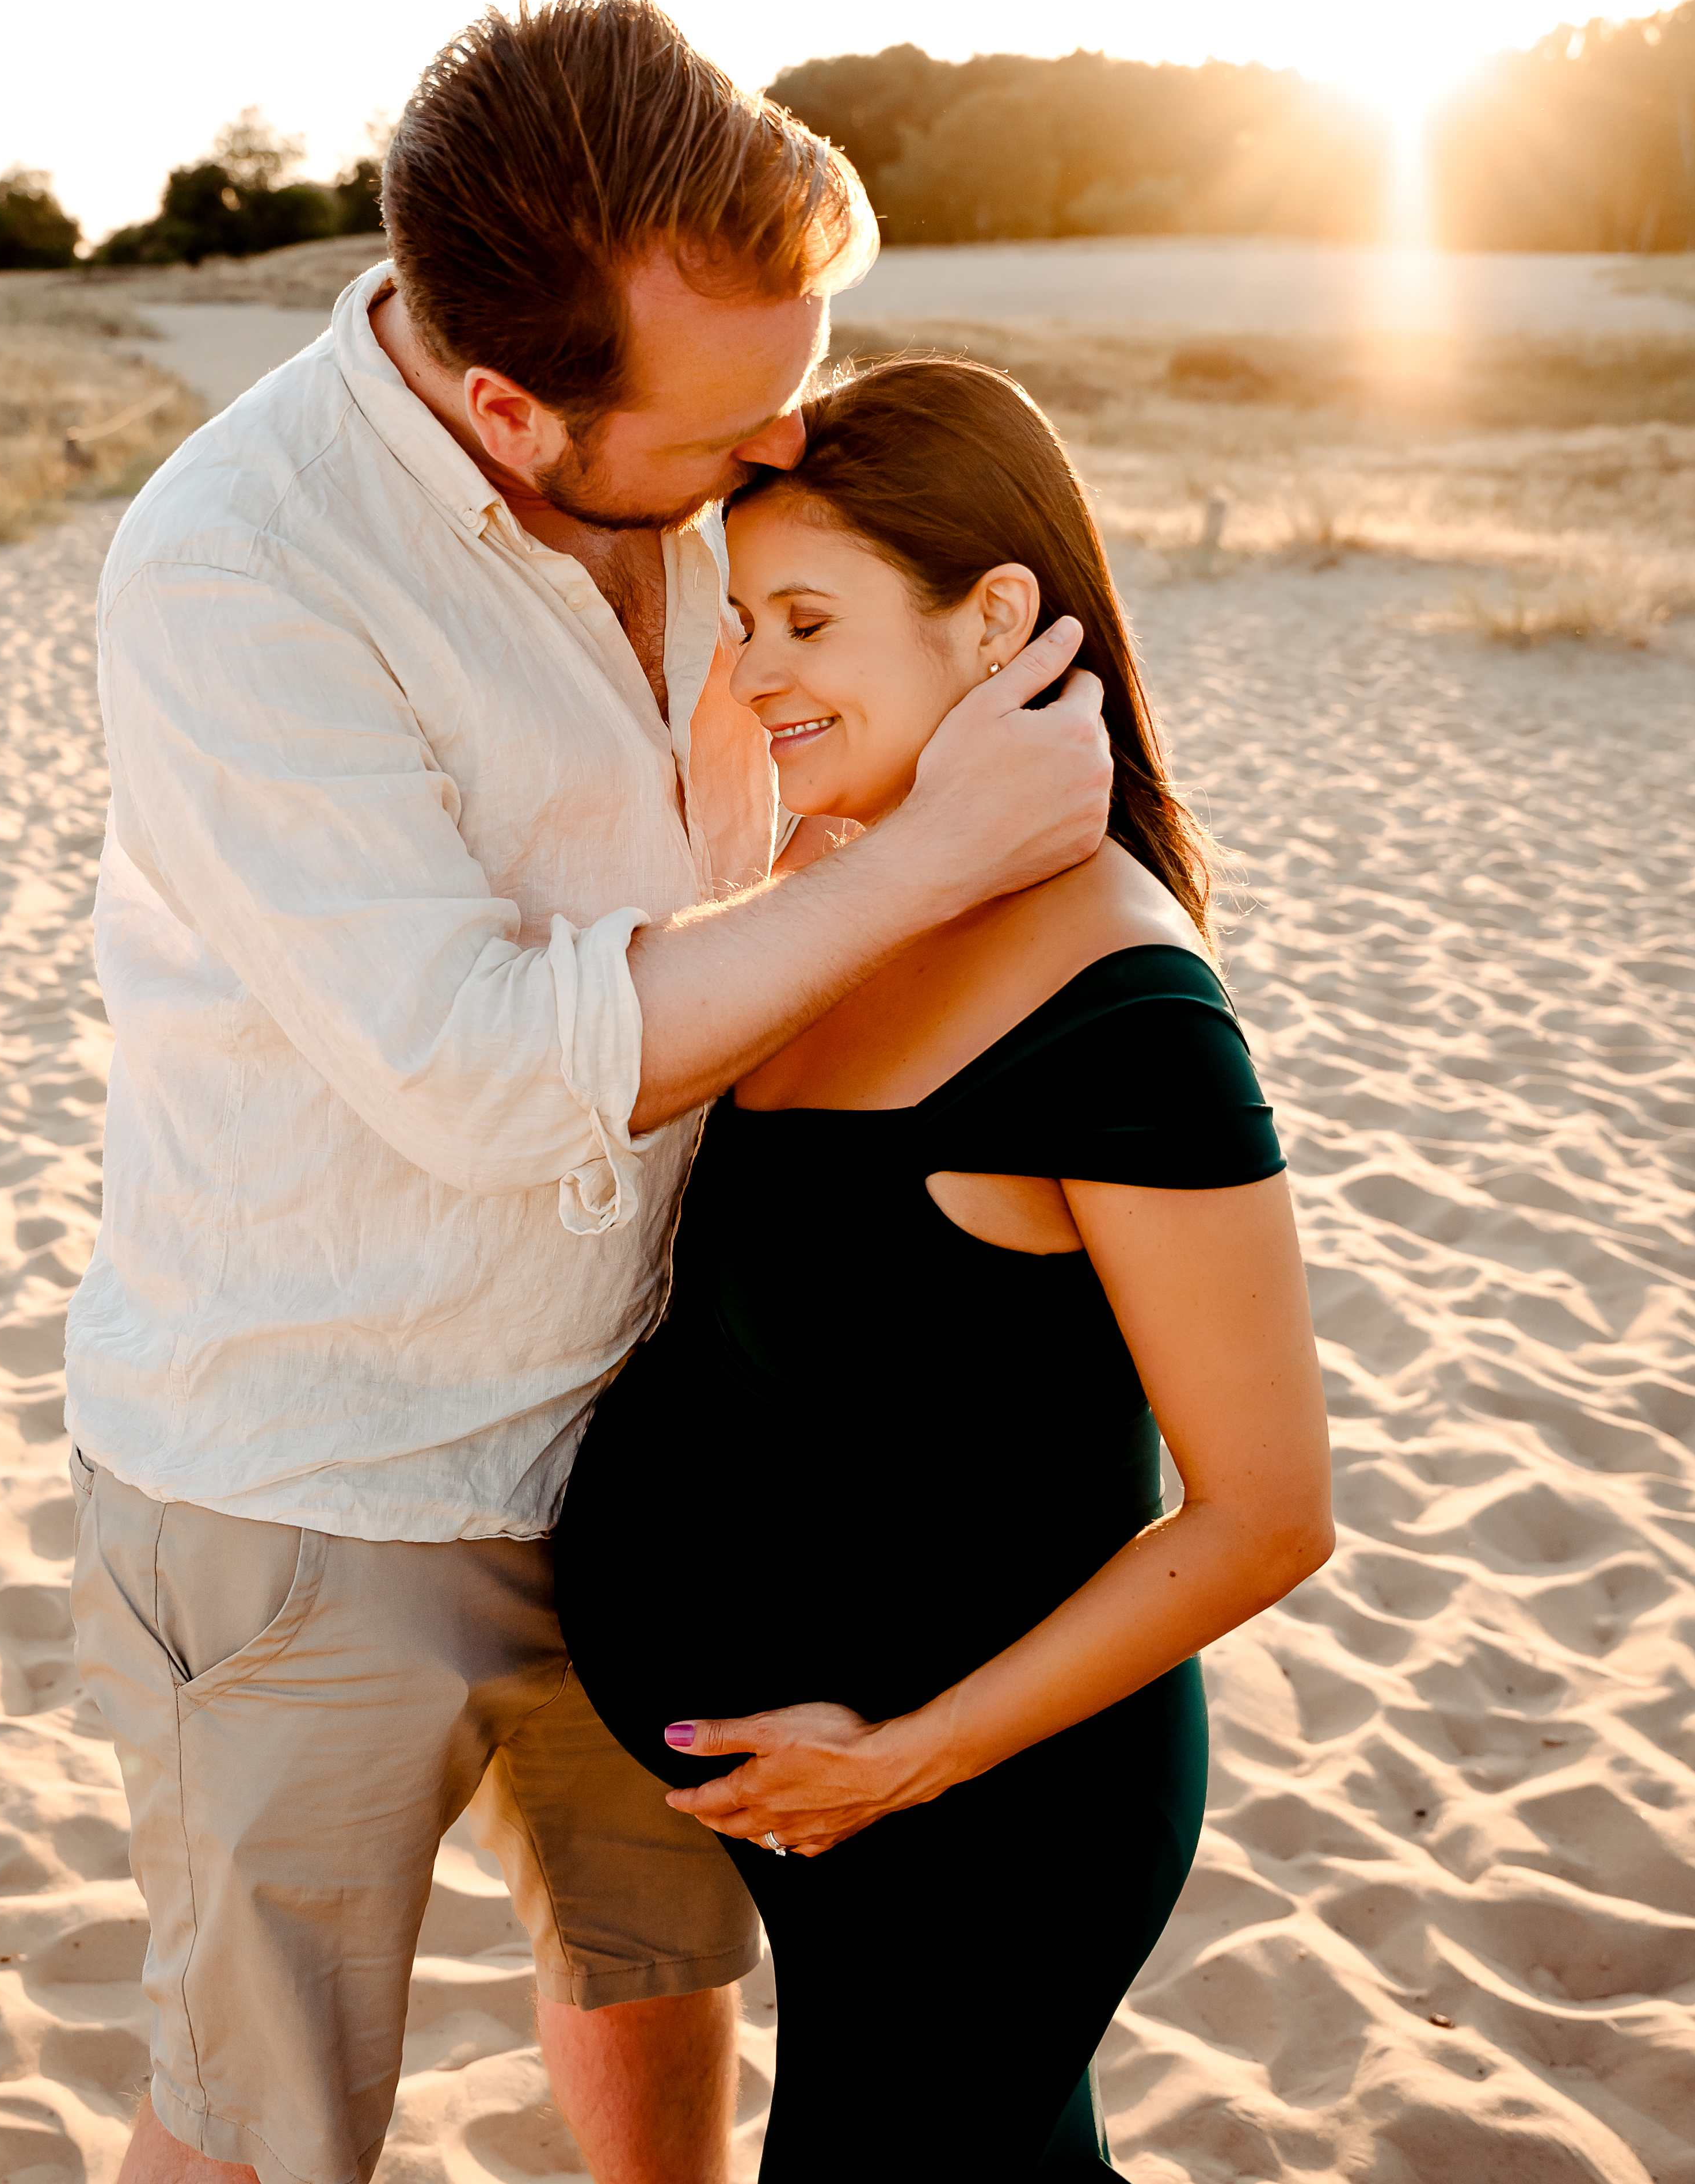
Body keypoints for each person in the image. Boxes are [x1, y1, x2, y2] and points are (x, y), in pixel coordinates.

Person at [63, 0, 1118, 2184]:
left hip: (664, 1442)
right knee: (258, 2108)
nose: (781, 458)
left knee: (656, 1971)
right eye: (731, 432)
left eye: (802, 381)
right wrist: (931, 862)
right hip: (313, 1476)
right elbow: (471, 1064)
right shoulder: (233, 568)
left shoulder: (731, 452)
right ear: (508, 408)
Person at [555, 356, 1339, 2182]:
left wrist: (904, 1760)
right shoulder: (853, 889)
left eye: (809, 619)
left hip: (986, 1825)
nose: (755, 672)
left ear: (995, 616)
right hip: (823, 1814)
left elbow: (1268, 1516)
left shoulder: (1124, 1015)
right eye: (743, 619)